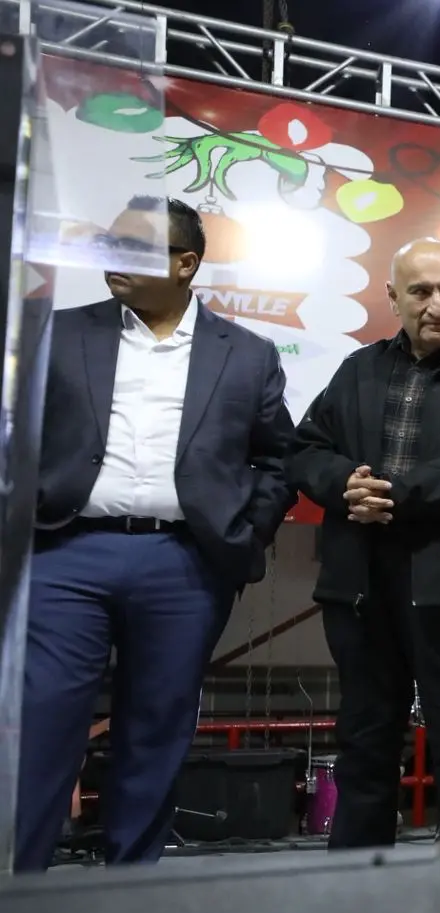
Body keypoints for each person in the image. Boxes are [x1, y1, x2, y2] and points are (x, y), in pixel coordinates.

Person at [15, 194, 295, 872]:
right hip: (66, 553)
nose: (112, 259)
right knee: (42, 725)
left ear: (184, 264)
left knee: (156, 732)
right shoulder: (57, 331)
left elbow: (279, 459)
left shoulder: (247, 354)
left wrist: (244, 533)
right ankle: (17, 888)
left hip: (185, 563)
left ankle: (129, 892)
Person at [287, 238, 440, 849]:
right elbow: (305, 448)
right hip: (359, 585)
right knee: (365, 738)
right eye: (421, 291)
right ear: (393, 297)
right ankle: (359, 881)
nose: (437, 305)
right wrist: (344, 485)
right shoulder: (358, 369)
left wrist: (400, 491)